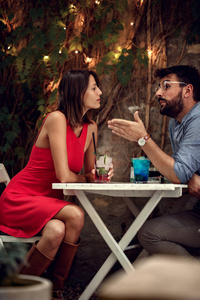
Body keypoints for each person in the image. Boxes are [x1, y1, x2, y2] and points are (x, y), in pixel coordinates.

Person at [0, 69, 113, 299]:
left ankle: (21, 291)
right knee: (76, 215)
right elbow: (64, 176)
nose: (100, 92)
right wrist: (85, 178)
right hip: (21, 198)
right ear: (77, 92)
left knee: (57, 230)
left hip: (49, 204)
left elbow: (90, 173)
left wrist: (102, 174)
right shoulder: (56, 119)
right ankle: (55, 289)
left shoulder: (91, 127)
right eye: (94, 88)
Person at [108, 65, 200, 256]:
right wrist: (189, 174)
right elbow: (180, 169)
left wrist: (143, 139)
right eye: (159, 87)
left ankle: (193, 283)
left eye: (166, 86)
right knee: (148, 232)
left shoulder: (198, 119)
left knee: (150, 234)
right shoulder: (177, 123)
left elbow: (177, 173)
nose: (158, 93)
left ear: (187, 90)